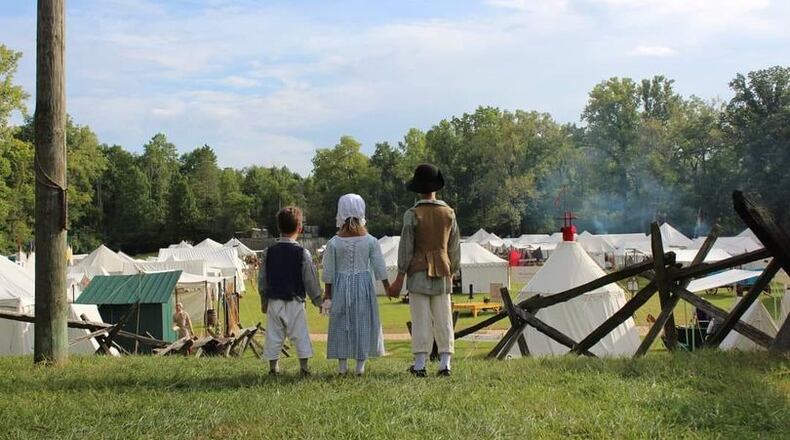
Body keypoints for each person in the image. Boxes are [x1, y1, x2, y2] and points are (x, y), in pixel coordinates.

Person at [388, 164, 461, 377]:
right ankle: (445, 363)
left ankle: (420, 364)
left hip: (418, 270)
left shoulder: (412, 214)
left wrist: (400, 276)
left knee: (420, 317)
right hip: (443, 270)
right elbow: (455, 247)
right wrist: (452, 269)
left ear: (418, 189)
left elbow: (406, 248)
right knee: (443, 317)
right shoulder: (449, 213)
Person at [322, 194, 389, 376]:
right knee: (363, 323)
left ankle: (342, 367)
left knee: (341, 324)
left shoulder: (334, 242)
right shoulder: (370, 241)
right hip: (363, 287)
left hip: (341, 286)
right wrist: (388, 286)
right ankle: (360, 366)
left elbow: (328, 271)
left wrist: (328, 295)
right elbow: (380, 266)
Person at [259, 206, 322, 376]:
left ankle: (273, 368)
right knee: (300, 334)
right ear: (300, 228)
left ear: (278, 227)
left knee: (273, 335)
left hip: (274, 300)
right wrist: (318, 300)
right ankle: (304, 368)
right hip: (295, 300)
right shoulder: (303, 253)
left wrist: (264, 300)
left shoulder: (268, 252)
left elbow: (263, 279)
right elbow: (310, 280)